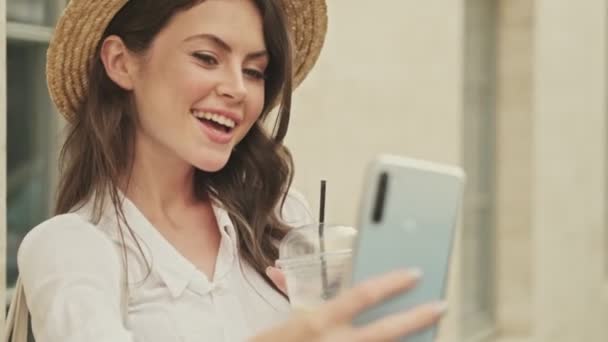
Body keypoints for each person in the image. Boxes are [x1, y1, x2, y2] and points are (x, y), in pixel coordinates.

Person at [16, 0, 447, 341]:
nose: (238, 89)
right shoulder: (70, 247)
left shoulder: (281, 222)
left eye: (254, 70)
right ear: (121, 62)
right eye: (207, 57)